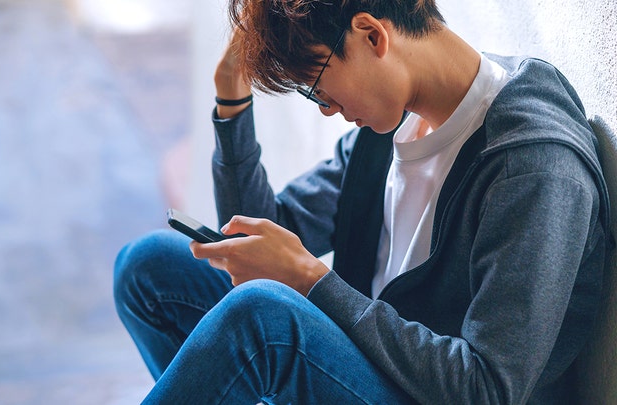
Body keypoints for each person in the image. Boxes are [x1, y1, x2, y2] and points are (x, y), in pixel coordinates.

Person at [114, 0, 610, 403]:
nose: (327, 110)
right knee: (149, 267)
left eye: (317, 87)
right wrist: (232, 100)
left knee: (261, 318)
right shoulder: (392, 127)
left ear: (372, 35)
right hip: (366, 369)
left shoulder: (531, 163)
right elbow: (261, 235)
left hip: (434, 392)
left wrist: (312, 281)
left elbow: (486, 389)